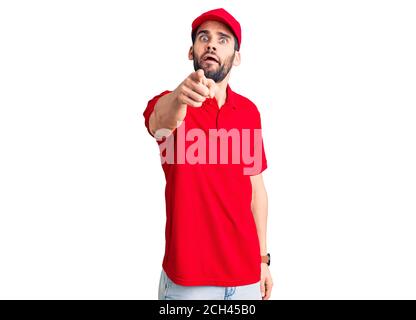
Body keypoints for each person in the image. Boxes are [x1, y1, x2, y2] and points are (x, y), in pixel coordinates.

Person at [143, 8, 273, 300]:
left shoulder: (249, 112)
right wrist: (179, 97)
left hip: (245, 279)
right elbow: (159, 122)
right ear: (192, 51)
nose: (212, 44)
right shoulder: (169, 103)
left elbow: (256, 189)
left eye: (223, 39)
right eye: (204, 38)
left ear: (237, 57)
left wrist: (262, 259)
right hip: (188, 282)